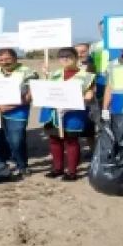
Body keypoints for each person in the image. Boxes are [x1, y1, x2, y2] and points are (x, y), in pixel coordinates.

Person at [0, 48, 38, 176]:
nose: (4, 62)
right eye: (1, 60)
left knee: (16, 140)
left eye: (8, 59)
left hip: (17, 111)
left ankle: (22, 165)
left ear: (15, 58)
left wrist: (10, 106)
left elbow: (30, 95)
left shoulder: (28, 72)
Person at [38, 48, 95, 180]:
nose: (65, 59)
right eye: (61, 57)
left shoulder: (86, 76)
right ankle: (57, 168)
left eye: (68, 56)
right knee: (54, 140)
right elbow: (45, 91)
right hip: (53, 112)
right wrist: (45, 76)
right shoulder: (55, 74)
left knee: (71, 141)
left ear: (76, 58)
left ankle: (71, 171)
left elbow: (89, 96)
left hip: (72, 114)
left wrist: (71, 102)